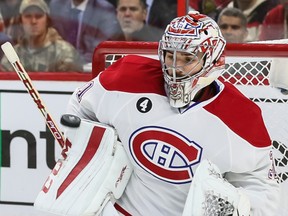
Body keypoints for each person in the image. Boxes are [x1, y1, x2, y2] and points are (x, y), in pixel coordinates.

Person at [65, 11, 280, 215]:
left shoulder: (242, 117)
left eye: (187, 59)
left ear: (212, 59)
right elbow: (81, 105)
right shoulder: (126, 77)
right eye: (170, 56)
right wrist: (84, 149)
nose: (175, 67)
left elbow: (263, 189)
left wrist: (240, 207)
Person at [0, 0, 83, 72]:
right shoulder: (13, 55)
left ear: (47, 20)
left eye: (38, 16)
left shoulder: (64, 52)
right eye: (28, 16)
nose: (33, 21)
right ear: (21, 22)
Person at [49, 0, 119, 64]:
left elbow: (99, 49)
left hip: (89, 68)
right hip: (59, 66)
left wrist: (74, 63)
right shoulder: (56, 6)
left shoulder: (104, 9)